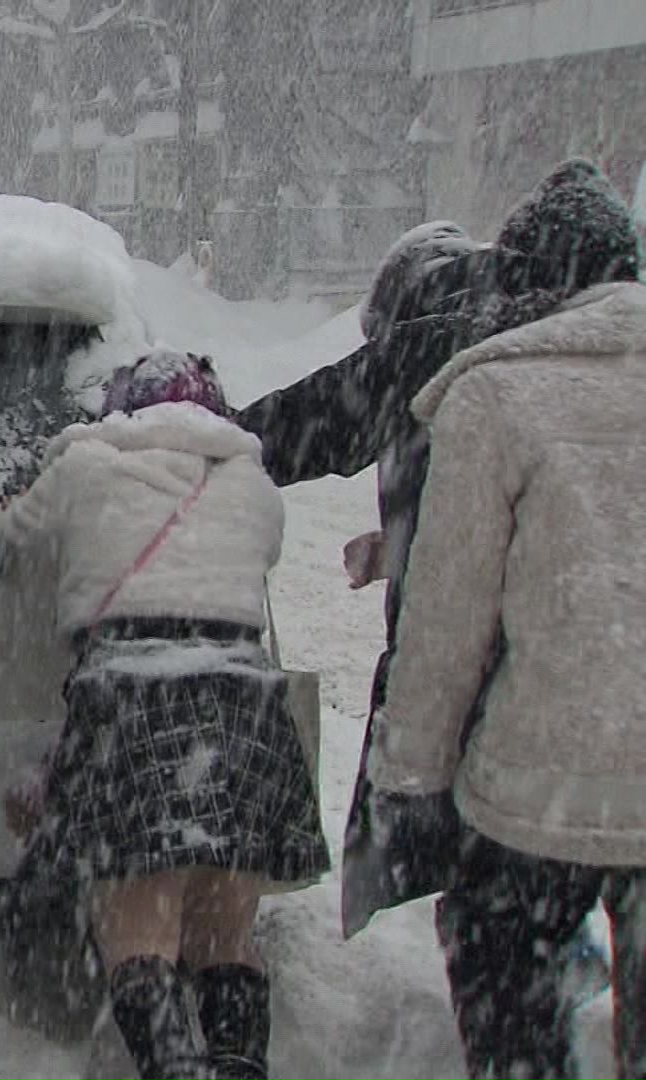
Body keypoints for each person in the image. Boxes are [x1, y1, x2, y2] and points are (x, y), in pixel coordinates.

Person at [368, 158, 646, 1080]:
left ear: (534, 285)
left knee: (505, 978)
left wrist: (410, 770)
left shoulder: (496, 390)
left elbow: (449, 613)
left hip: (536, 791)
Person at [0, 350, 331, 1080]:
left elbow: (7, 537)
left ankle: (175, 1068)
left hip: (133, 694)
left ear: (123, 409)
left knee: (137, 928)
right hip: (244, 703)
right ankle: (238, 1065)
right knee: (225, 930)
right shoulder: (249, 481)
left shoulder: (85, 467)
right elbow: (262, 550)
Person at [233, 222, 506, 936]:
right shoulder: (536, 330)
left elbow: (311, 422)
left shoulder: (435, 343)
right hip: (578, 642)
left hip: (470, 653)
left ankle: (502, 967)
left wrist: (207, 442)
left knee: (485, 851)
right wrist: (399, 543)